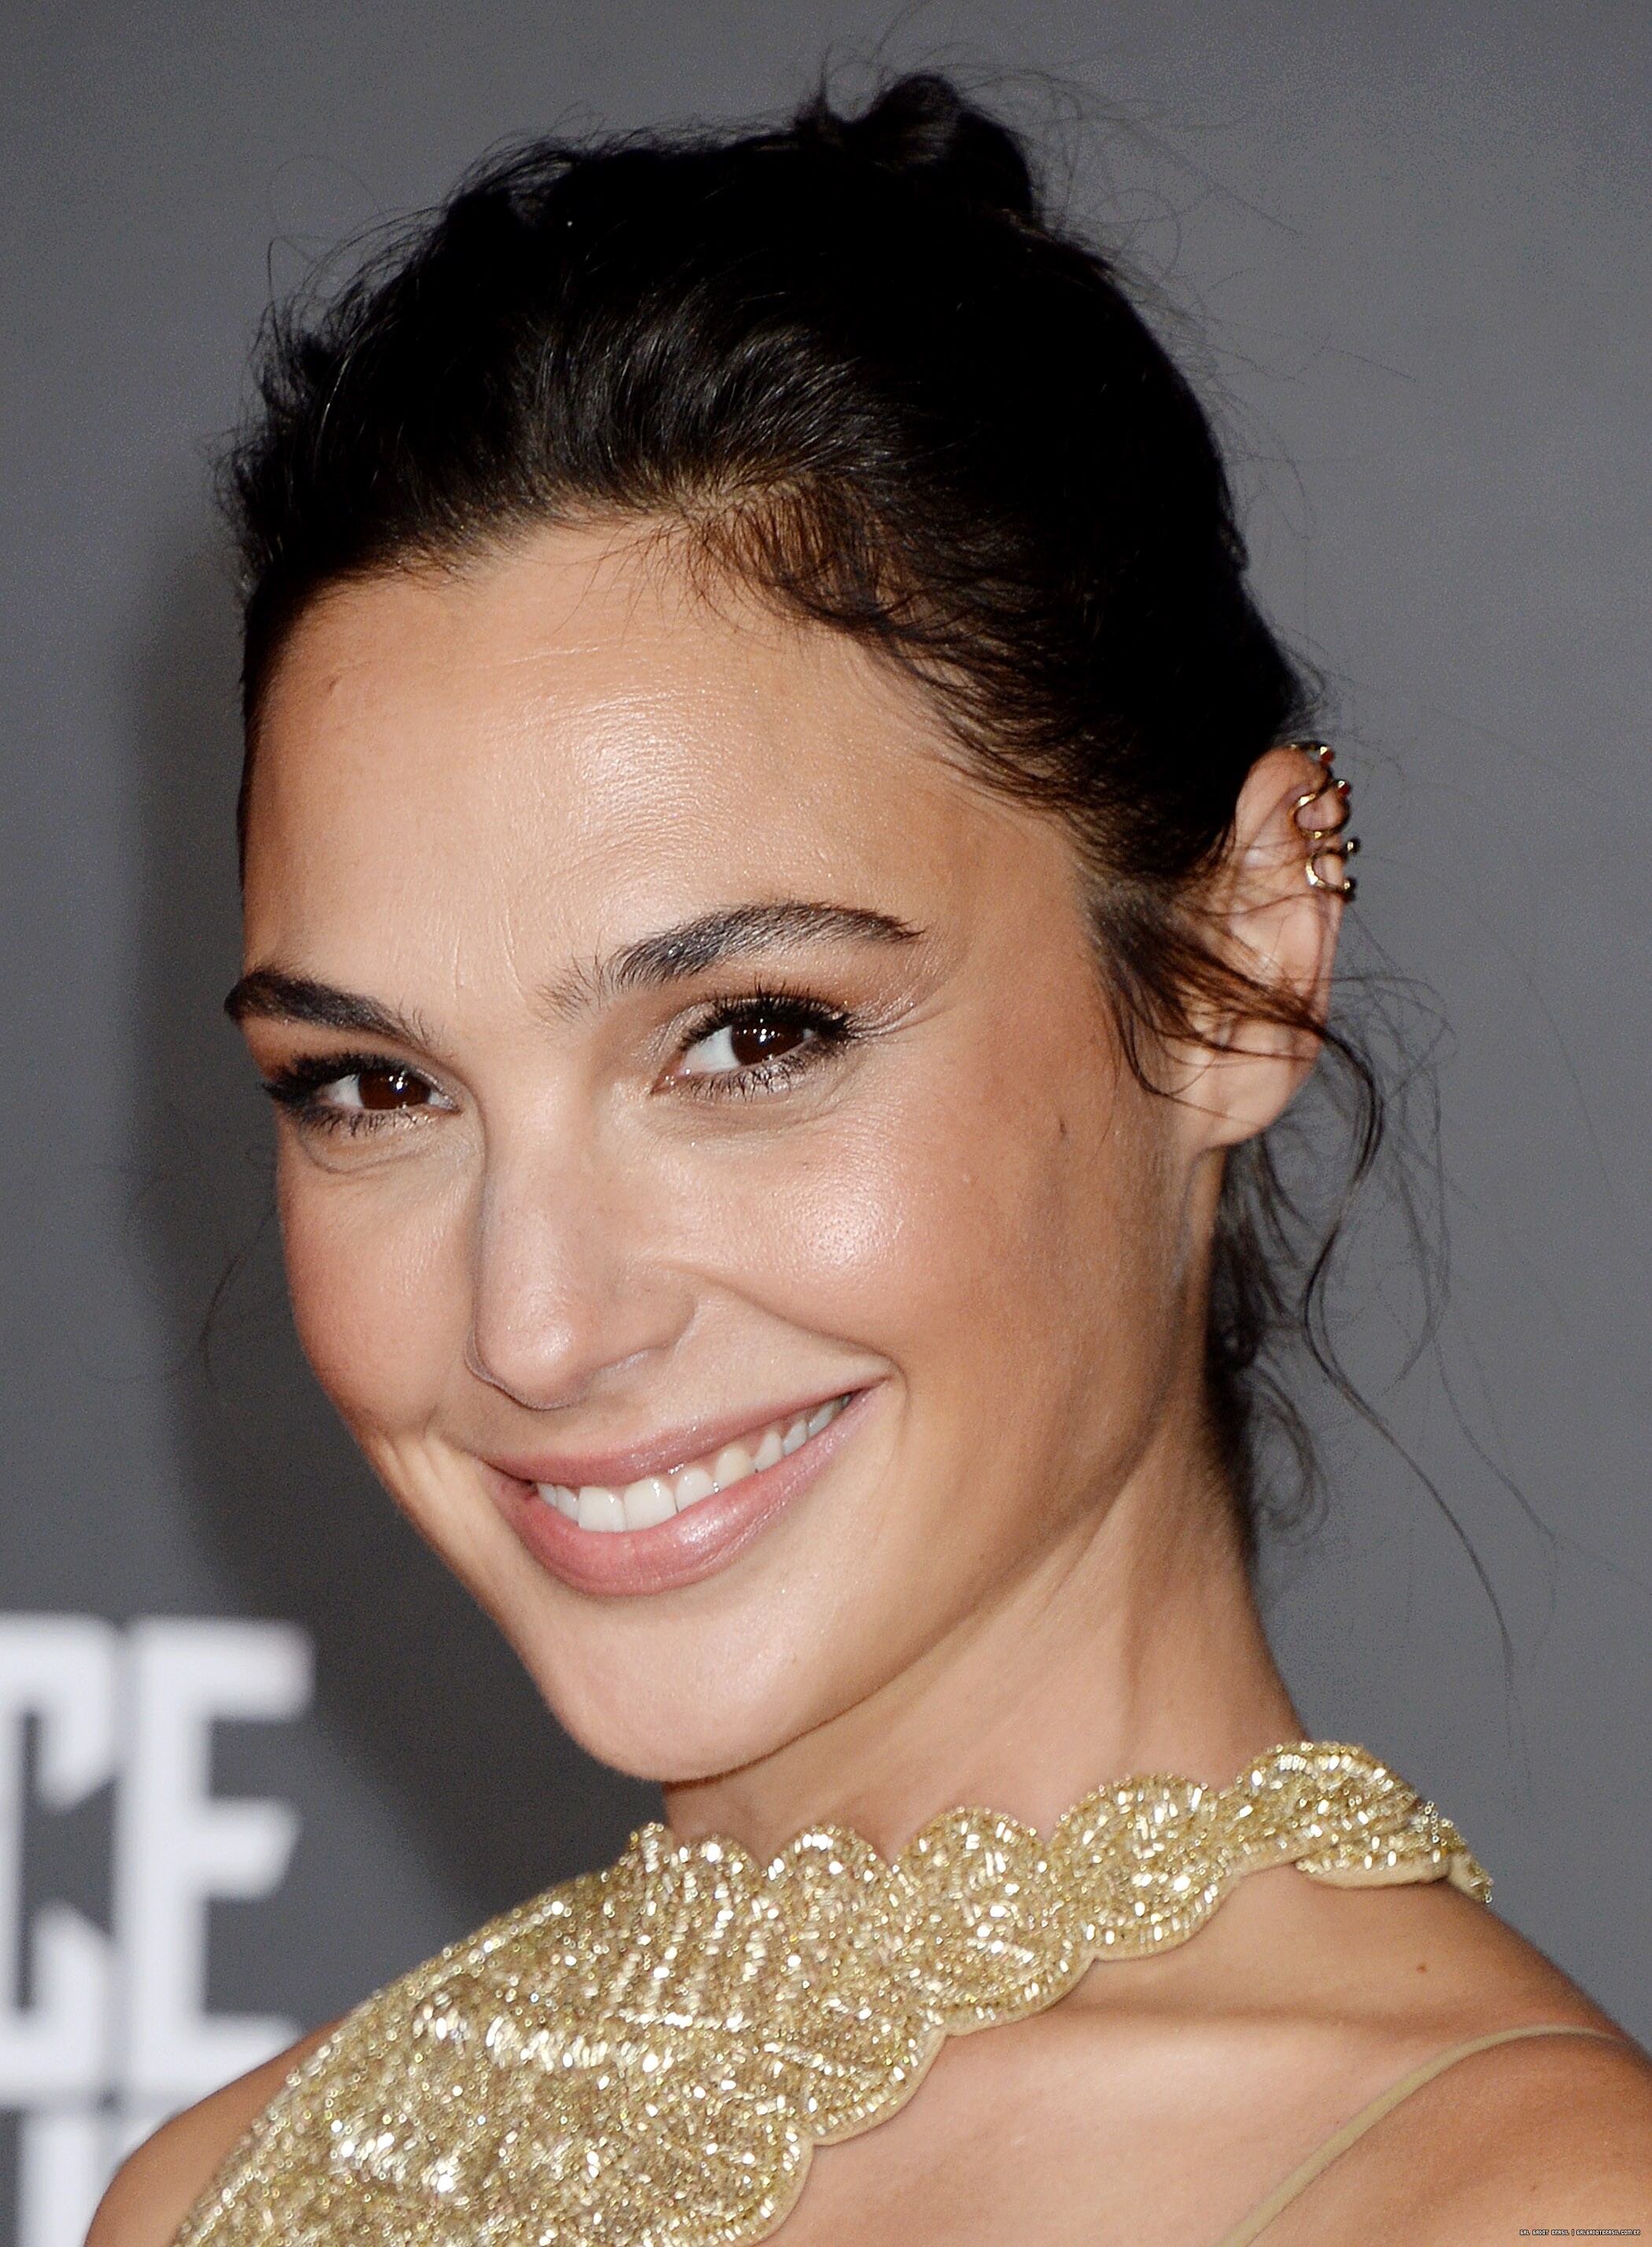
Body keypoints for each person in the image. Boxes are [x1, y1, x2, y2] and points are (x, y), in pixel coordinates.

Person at [91, 72, 1650, 2247]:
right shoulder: (212, 2198)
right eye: (374, 1087)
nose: (534, 1325)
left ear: (1237, 966)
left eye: (752, 1037)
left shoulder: (1516, 2207)